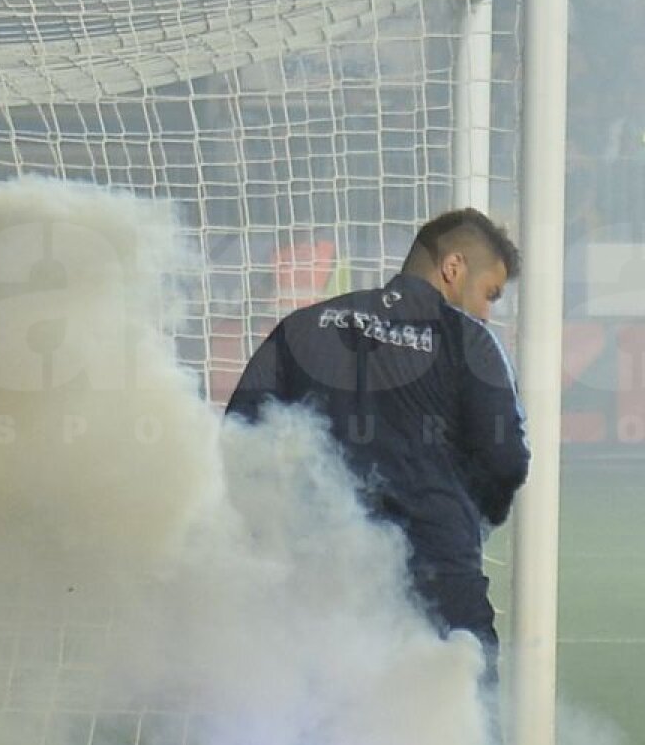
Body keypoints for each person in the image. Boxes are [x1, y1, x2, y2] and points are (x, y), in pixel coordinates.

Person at [226, 209, 529, 678]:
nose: (488, 311)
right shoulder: (472, 342)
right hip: (438, 579)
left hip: (324, 574)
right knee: (458, 734)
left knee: (321, 729)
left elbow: (241, 439)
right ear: (453, 268)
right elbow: (506, 457)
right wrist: (472, 516)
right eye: (490, 293)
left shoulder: (305, 327)